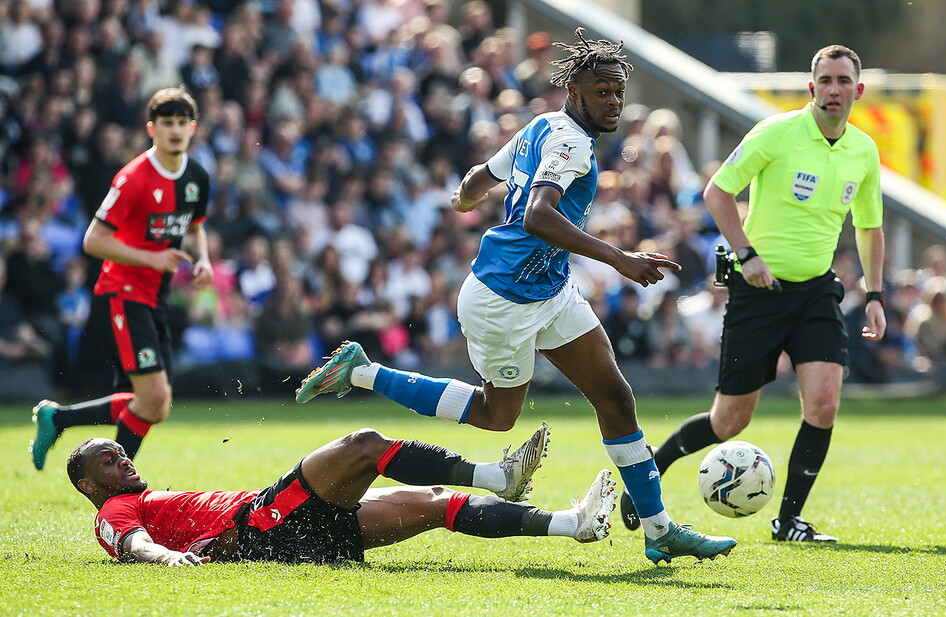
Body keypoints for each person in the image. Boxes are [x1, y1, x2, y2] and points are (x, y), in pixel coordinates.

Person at [296, 28, 736, 565]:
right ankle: (362, 372)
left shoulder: (542, 127)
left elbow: (483, 176)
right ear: (574, 89)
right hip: (502, 300)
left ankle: (659, 528)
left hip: (548, 290)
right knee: (495, 416)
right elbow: (536, 214)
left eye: (619, 92)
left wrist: (464, 197)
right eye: (602, 92)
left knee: (616, 398)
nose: (614, 103)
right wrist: (620, 259)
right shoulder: (569, 141)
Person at [620, 45, 886, 543]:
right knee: (729, 421)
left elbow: (870, 226)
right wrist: (746, 255)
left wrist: (876, 293)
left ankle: (789, 522)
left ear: (858, 90)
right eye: (824, 80)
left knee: (824, 405)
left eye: (842, 81)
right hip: (757, 291)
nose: (833, 90)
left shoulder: (864, 150)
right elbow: (717, 192)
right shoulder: (777, 133)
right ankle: (651, 470)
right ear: (812, 88)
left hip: (815, 294)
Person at [67, 424, 619, 565]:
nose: (124, 462)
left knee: (433, 503)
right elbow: (130, 542)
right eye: (108, 464)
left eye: (120, 454)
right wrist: (168, 559)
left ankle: (574, 524)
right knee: (363, 445)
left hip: (289, 537)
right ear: (90, 486)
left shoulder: (136, 496)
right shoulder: (116, 509)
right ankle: (497, 476)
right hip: (264, 524)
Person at [30, 87, 213, 470]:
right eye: (167, 123)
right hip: (123, 292)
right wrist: (153, 257)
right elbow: (93, 240)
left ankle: (59, 418)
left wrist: (204, 261)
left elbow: (194, 227)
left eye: (182, 123)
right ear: (152, 128)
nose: (176, 130)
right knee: (152, 397)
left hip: (155, 297)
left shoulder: (196, 177)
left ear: (193, 128)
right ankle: (116, 488)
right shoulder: (133, 178)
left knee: (156, 405)